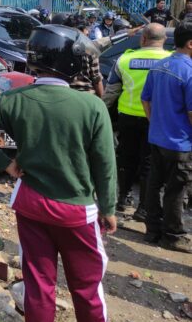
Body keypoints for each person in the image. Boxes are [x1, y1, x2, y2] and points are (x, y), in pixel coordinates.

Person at [0, 24, 117, 322]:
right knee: (86, 287)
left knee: (38, 284)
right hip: (76, 212)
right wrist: (109, 208)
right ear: (71, 62)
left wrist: (4, 162)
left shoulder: (13, 99)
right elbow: (105, 164)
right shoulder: (92, 106)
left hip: (30, 205)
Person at [103, 23, 171, 221]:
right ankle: (144, 208)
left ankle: (123, 199)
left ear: (142, 39)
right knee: (149, 163)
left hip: (127, 118)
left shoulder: (124, 59)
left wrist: (101, 110)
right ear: (164, 40)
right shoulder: (170, 60)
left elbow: (111, 92)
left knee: (126, 159)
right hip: (156, 119)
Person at [140, 21, 192, 253]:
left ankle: (152, 230)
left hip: (158, 137)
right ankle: (172, 235)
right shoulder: (189, 71)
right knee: (176, 189)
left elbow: (145, 99)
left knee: (154, 184)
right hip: (180, 142)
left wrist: (156, 123)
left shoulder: (160, 66)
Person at [63, 15, 104, 96]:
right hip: (87, 96)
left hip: (64, 95)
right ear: (82, 30)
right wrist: (102, 101)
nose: (88, 32)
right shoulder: (90, 49)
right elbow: (96, 79)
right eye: (86, 29)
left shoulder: (60, 47)